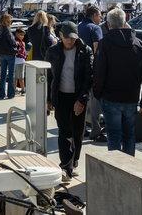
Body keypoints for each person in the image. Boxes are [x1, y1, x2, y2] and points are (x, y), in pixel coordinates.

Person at [93, 8, 142, 156]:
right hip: (131, 97)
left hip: (110, 97)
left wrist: (97, 93)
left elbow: (99, 72)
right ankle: (128, 167)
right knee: (129, 136)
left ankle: (115, 168)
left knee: (114, 136)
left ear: (108, 24)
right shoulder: (139, 44)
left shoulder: (104, 44)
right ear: (125, 22)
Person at [45, 21, 93, 180]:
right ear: (60, 36)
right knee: (64, 131)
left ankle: (74, 162)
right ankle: (65, 166)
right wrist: (48, 99)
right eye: (67, 38)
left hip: (78, 96)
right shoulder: (53, 51)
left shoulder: (85, 51)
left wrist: (82, 100)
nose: (70, 41)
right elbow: (49, 77)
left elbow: (89, 78)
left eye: (73, 38)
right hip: (61, 96)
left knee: (78, 132)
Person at [78, 5, 106, 143]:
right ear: (94, 15)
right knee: (95, 102)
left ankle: (81, 129)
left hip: (79, 67)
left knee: (82, 99)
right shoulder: (96, 28)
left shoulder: (79, 26)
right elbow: (97, 49)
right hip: (92, 68)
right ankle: (96, 131)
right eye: (100, 15)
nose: (101, 18)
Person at [0, 13, 17, 99]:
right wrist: (16, 43)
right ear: (7, 21)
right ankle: (10, 94)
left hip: (1, 54)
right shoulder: (7, 29)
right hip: (10, 54)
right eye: (10, 20)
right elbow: (12, 42)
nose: (11, 22)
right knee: (11, 75)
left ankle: (1, 94)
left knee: (3, 75)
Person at [14, 28, 27, 94]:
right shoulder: (16, 42)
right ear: (16, 34)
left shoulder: (23, 42)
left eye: (23, 35)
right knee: (19, 77)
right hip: (18, 61)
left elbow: (24, 52)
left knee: (18, 76)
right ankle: (22, 89)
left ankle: (16, 89)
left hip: (21, 61)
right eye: (21, 35)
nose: (22, 36)